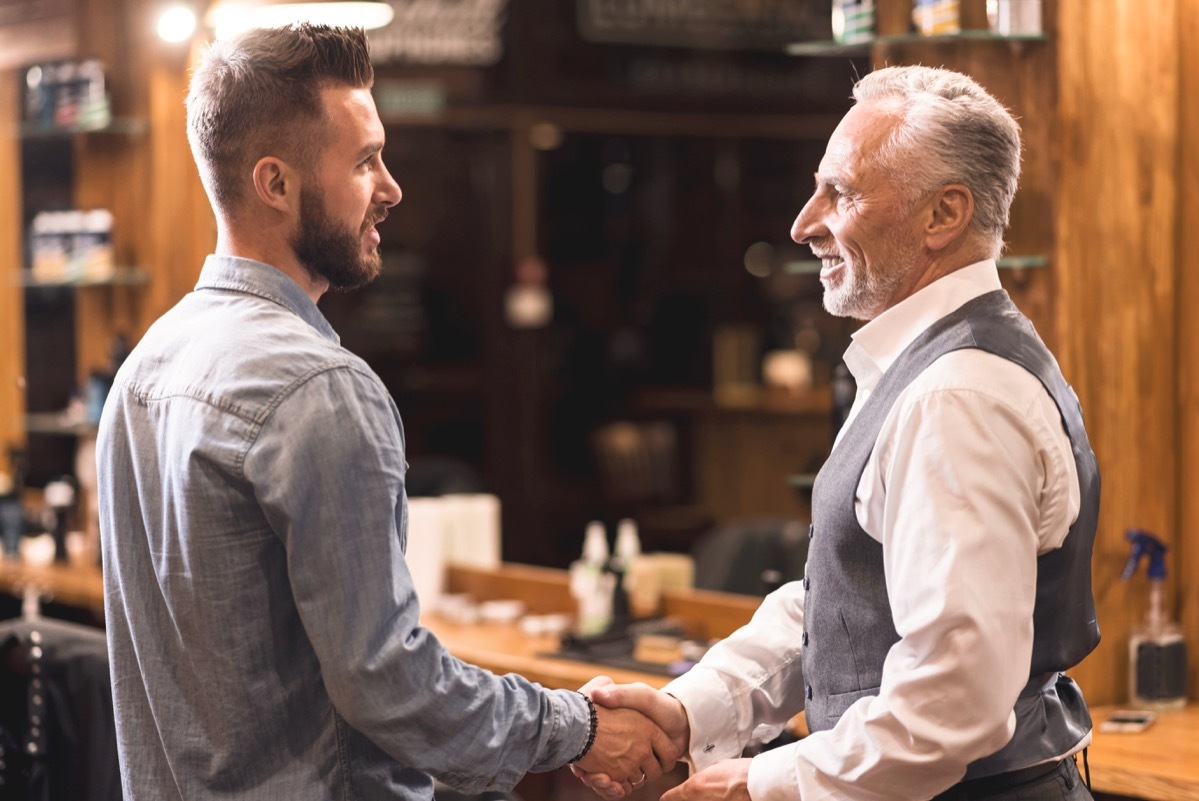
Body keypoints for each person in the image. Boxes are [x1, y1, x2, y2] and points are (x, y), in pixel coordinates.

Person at [96, 24, 679, 801]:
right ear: (275, 183)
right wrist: (577, 725)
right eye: (365, 160)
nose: (393, 186)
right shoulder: (320, 388)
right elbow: (392, 685)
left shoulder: (143, 368)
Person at [575, 65, 1100, 801]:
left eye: (841, 192)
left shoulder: (955, 395)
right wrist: (690, 707)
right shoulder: (924, 368)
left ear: (943, 215)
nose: (803, 223)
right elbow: (846, 602)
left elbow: (955, 697)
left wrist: (767, 781)